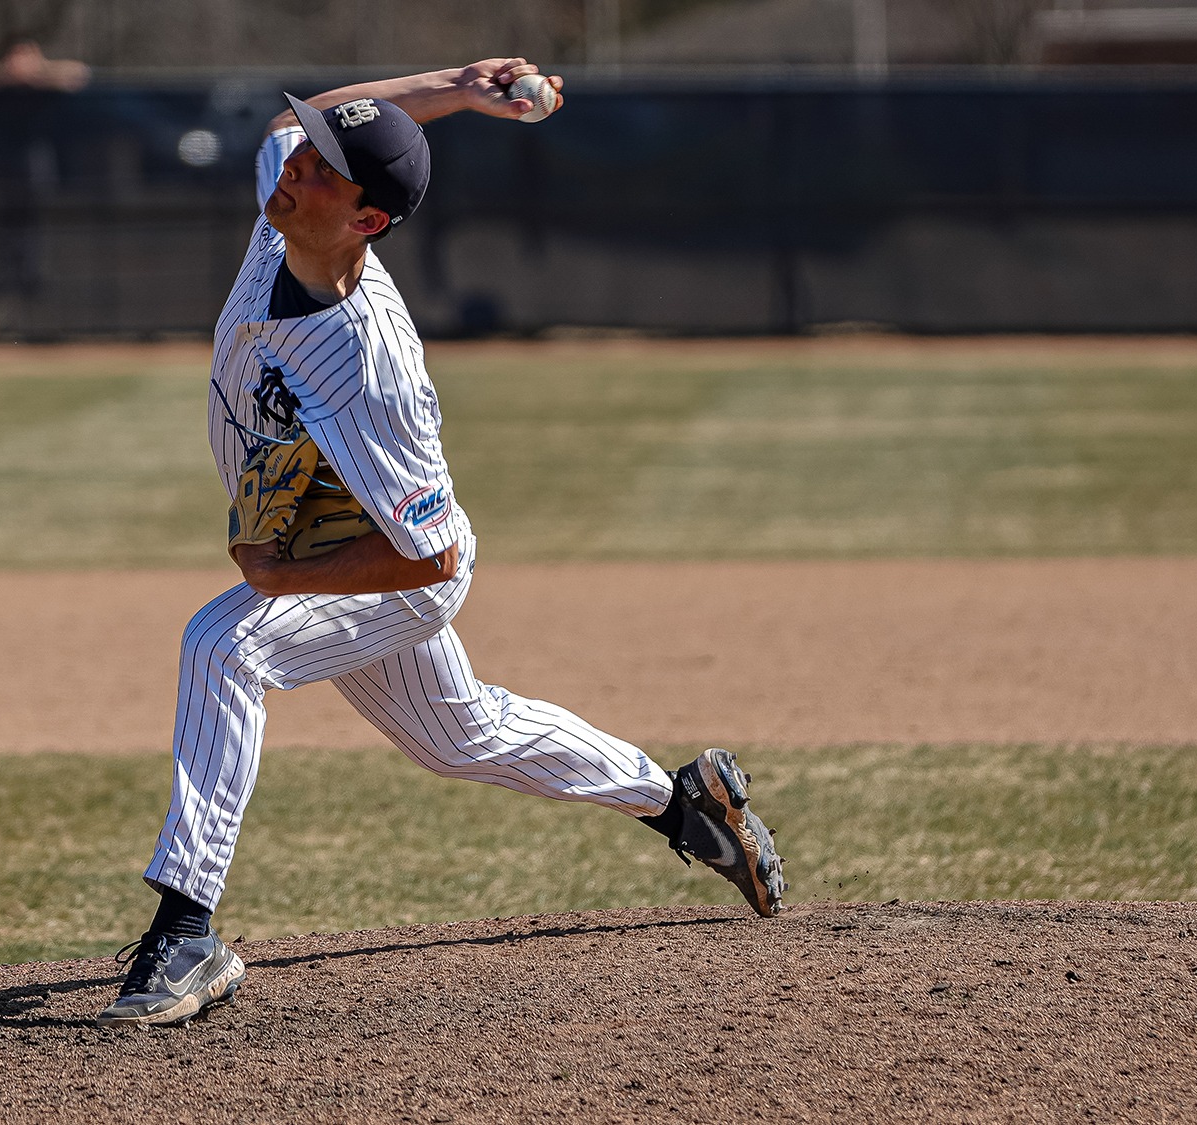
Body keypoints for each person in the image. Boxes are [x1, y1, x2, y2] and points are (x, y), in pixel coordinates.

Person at [98, 59, 786, 1028]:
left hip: (397, 576)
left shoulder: (372, 369)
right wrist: (458, 88)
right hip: (343, 543)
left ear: (367, 221)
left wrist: (285, 573)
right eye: (306, 155)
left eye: (325, 169)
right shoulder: (285, 217)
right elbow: (322, 120)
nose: (297, 161)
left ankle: (185, 932)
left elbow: (432, 560)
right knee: (460, 738)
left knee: (224, 646)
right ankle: (684, 805)